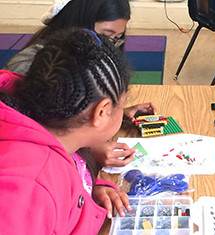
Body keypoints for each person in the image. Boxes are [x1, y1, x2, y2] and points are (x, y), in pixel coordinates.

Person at [0, 28, 133, 234]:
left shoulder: (52, 129)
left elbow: (66, 181)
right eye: (122, 104)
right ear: (102, 112)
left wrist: (90, 192)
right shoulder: (28, 189)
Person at [3, 0, 157, 167]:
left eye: (117, 38)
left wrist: (115, 111)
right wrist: (89, 153)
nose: (110, 45)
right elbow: (35, 135)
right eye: (106, 36)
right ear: (79, 21)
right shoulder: (42, 68)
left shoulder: (65, 60)